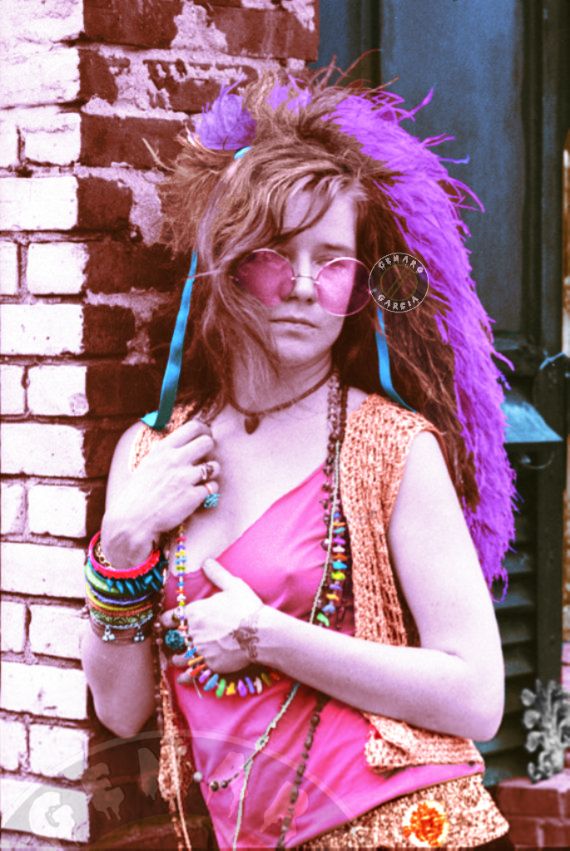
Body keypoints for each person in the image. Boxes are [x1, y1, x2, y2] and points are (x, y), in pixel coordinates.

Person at [81, 60, 519, 850]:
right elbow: (121, 710)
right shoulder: (151, 452)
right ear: (228, 262)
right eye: (278, 254)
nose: (307, 285)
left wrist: (266, 635)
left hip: (415, 830)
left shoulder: (389, 443)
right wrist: (122, 544)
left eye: (334, 260)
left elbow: (478, 695)